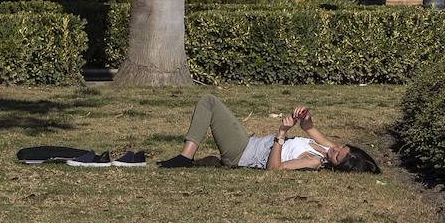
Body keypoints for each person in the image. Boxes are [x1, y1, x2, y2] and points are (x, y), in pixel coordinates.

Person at [158, 94, 380, 173]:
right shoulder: (326, 148)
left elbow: (274, 169)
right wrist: (304, 115)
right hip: (249, 142)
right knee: (211, 104)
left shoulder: (313, 162)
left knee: (209, 101)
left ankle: (185, 159)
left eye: (338, 155)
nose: (336, 149)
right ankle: (196, 161)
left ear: (337, 165)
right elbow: (308, 128)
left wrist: (281, 134)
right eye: (343, 147)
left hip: (243, 153)